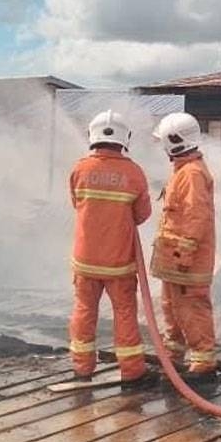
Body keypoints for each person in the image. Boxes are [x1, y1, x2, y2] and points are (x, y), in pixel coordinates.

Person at [68, 110, 157, 390]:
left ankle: (82, 368)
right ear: (124, 138)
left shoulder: (80, 169)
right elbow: (142, 214)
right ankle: (131, 372)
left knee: (84, 311)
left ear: (92, 136)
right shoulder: (133, 173)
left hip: (85, 260)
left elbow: (76, 203)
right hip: (119, 263)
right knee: (125, 313)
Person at [149, 112, 218, 383]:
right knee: (171, 306)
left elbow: (196, 217)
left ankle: (203, 361)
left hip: (186, 260)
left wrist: (185, 253)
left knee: (191, 307)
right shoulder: (183, 171)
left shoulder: (191, 174)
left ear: (173, 141)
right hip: (174, 259)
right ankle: (174, 353)